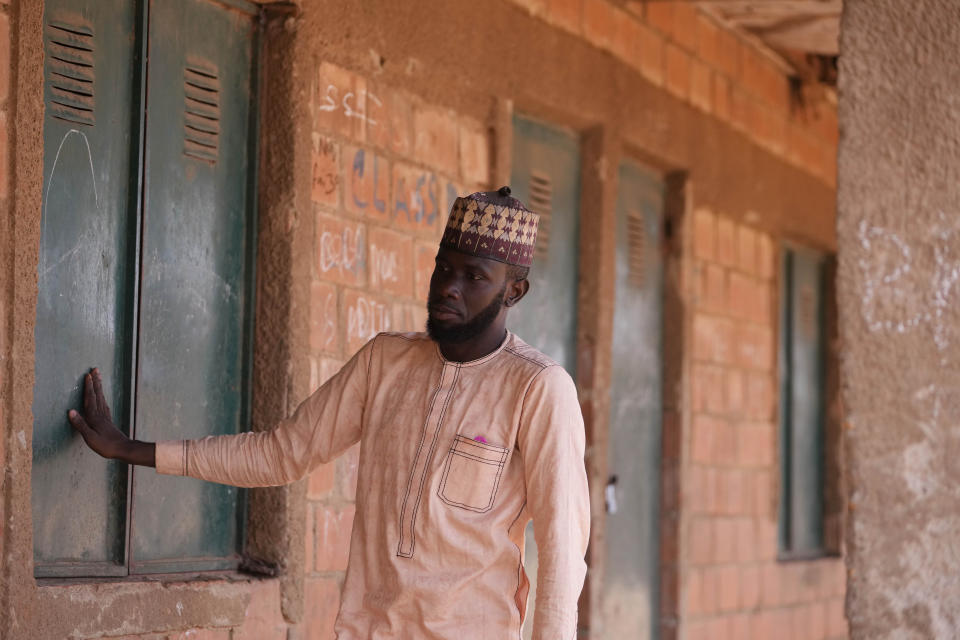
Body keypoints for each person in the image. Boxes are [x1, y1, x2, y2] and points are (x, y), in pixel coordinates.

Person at [68, 186, 590, 639]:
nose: (448, 287)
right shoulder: (386, 361)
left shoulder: (538, 388)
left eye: (475, 276)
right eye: (443, 267)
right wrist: (128, 448)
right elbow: (281, 454)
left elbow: (562, 552)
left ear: (513, 292)